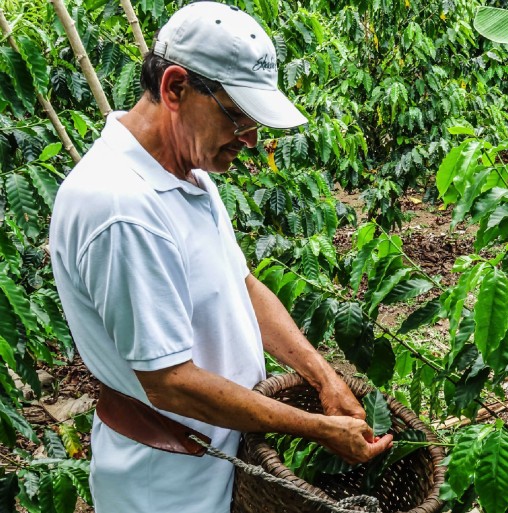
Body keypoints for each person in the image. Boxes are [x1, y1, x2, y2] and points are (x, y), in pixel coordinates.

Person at [49, 2, 393, 512]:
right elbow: (169, 383)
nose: (251, 140)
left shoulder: (188, 173)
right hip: (164, 485)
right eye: (236, 116)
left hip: (217, 460)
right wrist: (316, 428)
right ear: (174, 88)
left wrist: (324, 377)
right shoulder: (122, 207)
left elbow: (243, 286)